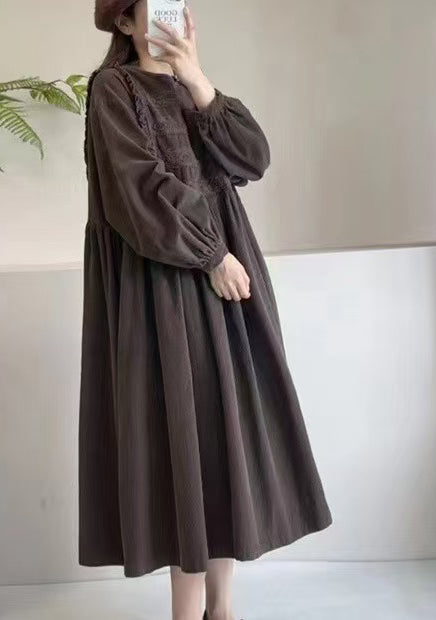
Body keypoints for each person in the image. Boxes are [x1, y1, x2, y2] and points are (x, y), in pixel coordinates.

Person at [78, 1, 333, 619]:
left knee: (222, 442)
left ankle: (222, 608)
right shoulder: (113, 89)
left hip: (227, 279)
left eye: (181, 3)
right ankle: (187, 612)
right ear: (125, 22)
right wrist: (212, 254)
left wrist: (196, 78)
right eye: (158, 4)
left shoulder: (197, 93)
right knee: (182, 442)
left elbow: (253, 158)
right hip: (165, 285)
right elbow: (137, 191)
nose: (176, 14)